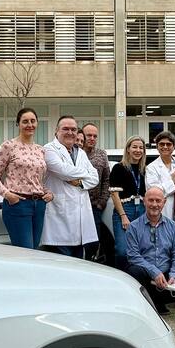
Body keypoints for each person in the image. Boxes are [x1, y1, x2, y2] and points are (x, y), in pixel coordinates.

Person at [0, 106, 53, 249]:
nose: (30, 125)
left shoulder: (40, 150)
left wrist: (49, 193)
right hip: (18, 204)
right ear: (18, 124)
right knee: (25, 251)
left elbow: (37, 181)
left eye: (33, 121)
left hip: (39, 205)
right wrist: (8, 195)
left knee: (35, 251)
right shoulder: (8, 146)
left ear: (37, 123)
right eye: (25, 121)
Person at [125, 186, 175, 315]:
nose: (154, 204)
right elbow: (133, 256)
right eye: (151, 200)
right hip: (145, 272)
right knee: (134, 271)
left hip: (166, 271)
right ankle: (150, 303)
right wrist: (154, 272)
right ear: (144, 201)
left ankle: (157, 301)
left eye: (158, 201)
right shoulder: (133, 227)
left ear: (164, 202)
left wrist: (174, 275)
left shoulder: (172, 226)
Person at [40, 115, 100, 258]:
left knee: (78, 263)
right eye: (65, 129)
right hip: (59, 221)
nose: (70, 132)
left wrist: (80, 182)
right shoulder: (49, 149)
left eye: (73, 129)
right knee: (61, 263)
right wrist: (86, 173)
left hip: (80, 224)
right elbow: (63, 171)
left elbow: (95, 178)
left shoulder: (80, 152)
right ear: (56, 131)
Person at [109, 136, 149, 269]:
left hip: (142, 210)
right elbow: (114, 194)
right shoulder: (119, 168)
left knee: (140, 249)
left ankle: (136, 276)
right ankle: (120, 276)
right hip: (125, 210)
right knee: (122, 251)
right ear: (128, 149)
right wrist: (123, 216)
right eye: (134, 147)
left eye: (141, 148)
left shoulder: (144, 169)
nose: (138, 150)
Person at [82, 122, 113, 264]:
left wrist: (102, 202)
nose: (92, 138)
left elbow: (107, 179)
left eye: (95, 136)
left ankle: (90, 264)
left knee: (93, 242)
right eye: (89, 135)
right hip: (76, 205)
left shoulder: (101, 154)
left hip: (94, 206)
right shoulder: (74, 153)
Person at [146, 129, 175, 219]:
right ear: (157, 147)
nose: (165, 147)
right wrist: (172, 181)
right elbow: (154, 194)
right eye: (162, 144)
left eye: (168, 144)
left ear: (174, 146)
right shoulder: (151, 168)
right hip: (164, 211)